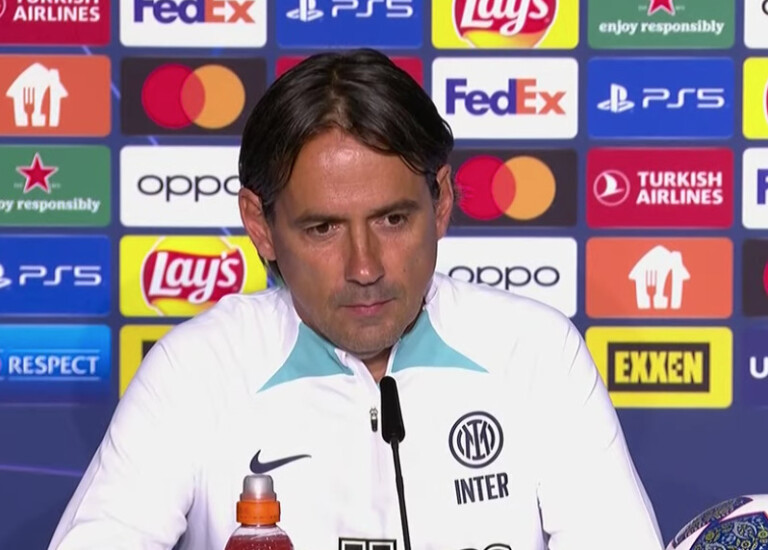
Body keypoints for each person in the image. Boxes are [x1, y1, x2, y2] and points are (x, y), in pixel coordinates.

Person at [48, 48, 664, 550]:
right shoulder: (196, 371)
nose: (365, 267)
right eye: (323, 229)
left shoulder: (536, 353)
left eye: (393, 220)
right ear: (261, 226)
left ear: (441, 203)